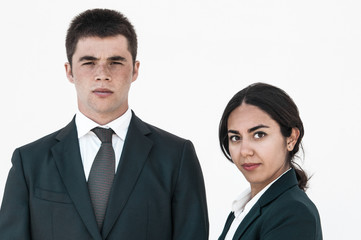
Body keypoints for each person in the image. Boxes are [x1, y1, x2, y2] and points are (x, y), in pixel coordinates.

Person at [0, 9, 209, 240]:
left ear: (135, 70)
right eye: (89, 62)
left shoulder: (176, 157)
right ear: (69, 71)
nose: (102, 75)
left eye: (115, 62)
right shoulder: (29, 162)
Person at [218, 83, 322, 240]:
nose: (245, 151)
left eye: (259, 135)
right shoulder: (242, 209)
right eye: (235, 137)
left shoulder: (294, 212)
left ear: (291, 139)